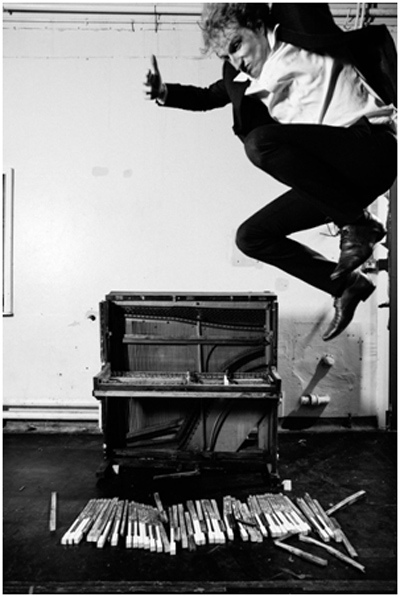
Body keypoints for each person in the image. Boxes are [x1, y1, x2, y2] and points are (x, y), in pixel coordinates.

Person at [144, 3, 397, 341]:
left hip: (371, 150)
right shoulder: (240, 79)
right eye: (226, 56)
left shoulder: (298, 24)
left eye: (237, 45)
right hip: (336, 183)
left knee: (260, 144)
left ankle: (359, 224)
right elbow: (206, 97)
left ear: (255, 24)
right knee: (251, 237)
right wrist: (163, 93)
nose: (236, 61)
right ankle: (347, 285)